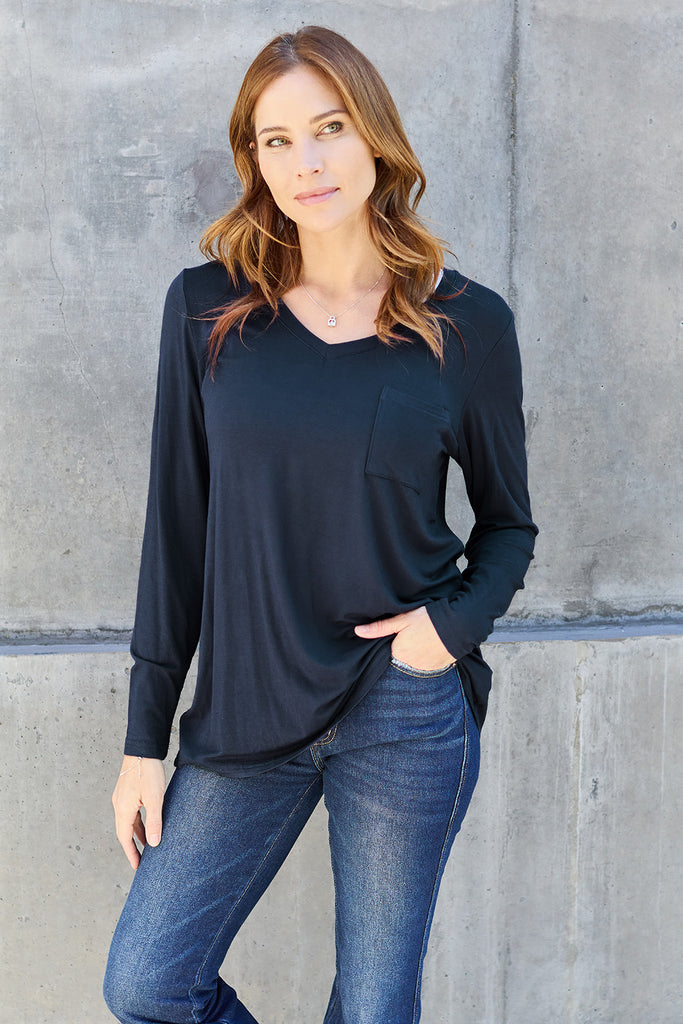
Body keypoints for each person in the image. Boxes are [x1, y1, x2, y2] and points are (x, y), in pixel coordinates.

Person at [103, 24, 537, 1024]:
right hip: (246, 711)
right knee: (147, 984)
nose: (307, 161)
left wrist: (443, 634)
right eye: (278, 140)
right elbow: (175, 535)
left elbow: (509, 526)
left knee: (375, 1007)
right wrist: (141, 742)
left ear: (373, 134)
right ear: (254, 160)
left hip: (402, 708)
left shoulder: (464, 323)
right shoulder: (206, 312)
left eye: (330, 128)